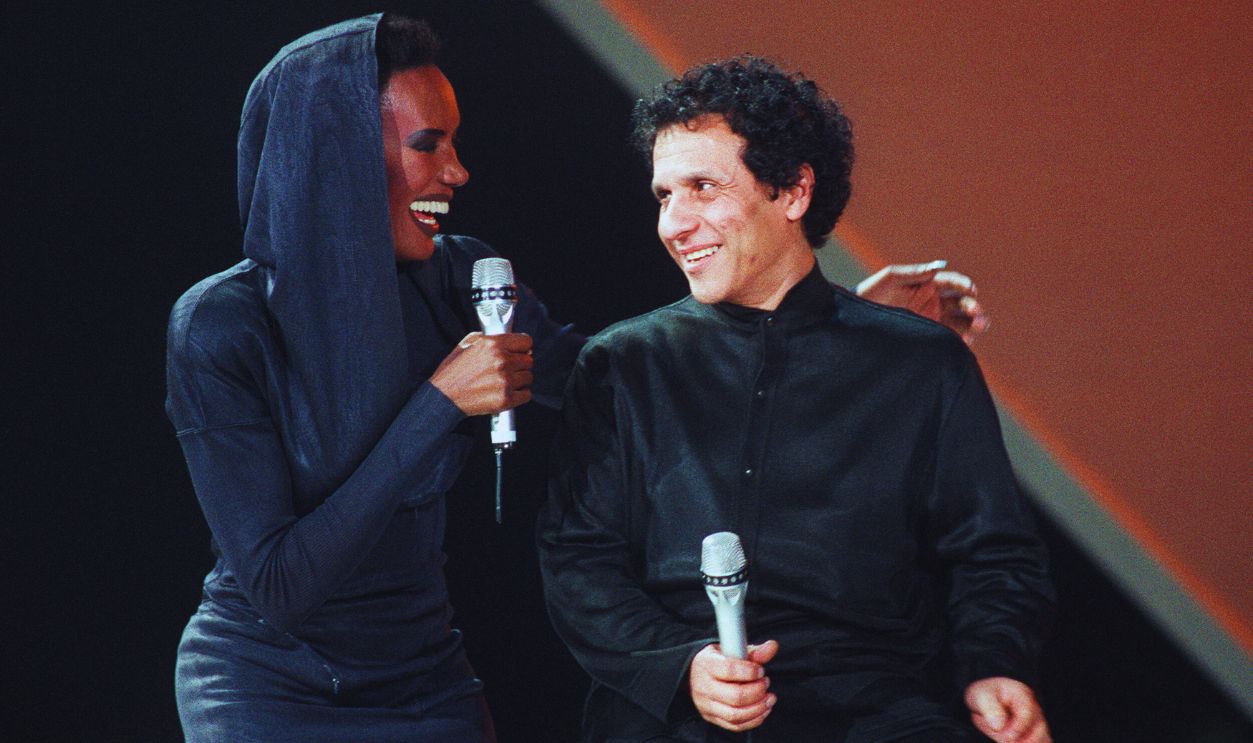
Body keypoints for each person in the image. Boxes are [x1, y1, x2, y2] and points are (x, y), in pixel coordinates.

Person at [166, 13, 990, 740]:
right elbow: (279, 583)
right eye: (428, 145)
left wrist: (829, 316)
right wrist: (438, 403)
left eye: (454, 143)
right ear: (339, 155)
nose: (457, 172)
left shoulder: (465, 279)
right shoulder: (222, 324)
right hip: (266, 686)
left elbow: (622, 379)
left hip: (423, 678)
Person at [538, 56, 1054, 743]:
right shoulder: (622, 364)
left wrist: (993, 666)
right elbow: (578, 562)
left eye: (701, 187)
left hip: (868, 710)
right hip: (674, 710)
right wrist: (682, 665)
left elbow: (992, 555)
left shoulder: (921, 364)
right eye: (665, 194)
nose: (673, 223)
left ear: (792, 192)